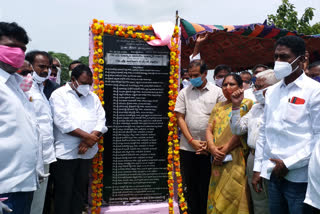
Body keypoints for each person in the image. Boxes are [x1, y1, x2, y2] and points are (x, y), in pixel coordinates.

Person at [253, 36, 320, 214]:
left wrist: (288, 163)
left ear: (302, 59)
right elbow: (264, 132)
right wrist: (258, 168)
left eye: (284, 57)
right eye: (276, 57)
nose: (278, 62)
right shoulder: (272, 91)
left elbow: (318, 138)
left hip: (300, 178)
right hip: (273, 174)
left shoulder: (314, 91)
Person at [50, 64, 107, 214]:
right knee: (64, 192)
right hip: (66, 153)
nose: (87, 87)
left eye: (90, 83)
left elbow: (101, 121)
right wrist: (88, 137)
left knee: (79, 192)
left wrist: (89, 141)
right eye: (84, 83)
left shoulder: (93, 97)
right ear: (73, 79)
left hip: (86, 152)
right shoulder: (59, 95)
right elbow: (63, 123)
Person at [174, 59, 225, 214]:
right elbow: (180, 118)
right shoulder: (184, 92)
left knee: (207, 185)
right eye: (190, 76)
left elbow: (222, 119)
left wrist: (209, 145)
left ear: (205, 74)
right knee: (190, 185)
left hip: (211, 149)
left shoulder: (218, 92)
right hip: (188, 147)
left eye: (196, 75)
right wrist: (192, 141)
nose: (192, 78)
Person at [0, 21, 39, 214]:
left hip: (23, 183)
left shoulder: (16, 84)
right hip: (4, 187)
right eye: (12, 46)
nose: (18, 52)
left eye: (23, 49)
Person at [230, 69, 280, 214]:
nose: (255, 90)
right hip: (253, 157)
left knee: (275, 202)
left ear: (273, 88)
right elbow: (238, 129)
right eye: (255, 86)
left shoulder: (281, 108)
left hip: (272, 159)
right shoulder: (256, 108)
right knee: (259, 201)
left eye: (259, 87)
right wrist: (235, 107)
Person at [206, 73, 253, 214]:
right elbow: (209, 129)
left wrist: (224, 150)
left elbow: (240, 132)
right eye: (224, 85)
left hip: (235, 157)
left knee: (233, 193)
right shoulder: (218, 107)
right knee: (217, 194)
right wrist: (213, 149)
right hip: (216, 158)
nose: (227, 87)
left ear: (240, 87)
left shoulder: (247, 104)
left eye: (231, 84)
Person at [24, 50, 57, 214]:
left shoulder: (40, 90)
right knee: (25, 201)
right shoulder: (23, 88)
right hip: (29, 156)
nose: (45, 71)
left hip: (44, 153)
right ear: (30, 66)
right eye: (41, 66)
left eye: (48, 67)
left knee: (38, 201)